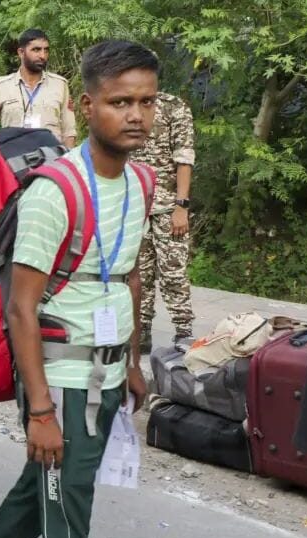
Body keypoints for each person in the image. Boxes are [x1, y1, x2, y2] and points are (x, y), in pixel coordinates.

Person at [0, 40, 157, 538]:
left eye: (146, 101)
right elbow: (20, 308)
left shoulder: (141, 180)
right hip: (62, 376)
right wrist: (39, 409)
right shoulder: (54, 191)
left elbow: (130, 273)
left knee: (51, 483)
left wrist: (134, 361)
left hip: (109, 368)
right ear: (88, 106)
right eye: (120, 102)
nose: (135, 115)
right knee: (68, 506)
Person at [129, 91, 195, 351]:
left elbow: (184, 158)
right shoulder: (125, 105)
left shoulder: (173, 106)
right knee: (138, 273)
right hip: (135, 204)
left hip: (168, 206)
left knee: (173, 272)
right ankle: (142, 331)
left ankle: (183, 331)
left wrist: (181, 206)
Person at [0, 29, 77, 147]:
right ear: (21, 52)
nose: (43, 56)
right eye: (36, 50)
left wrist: (67, 161)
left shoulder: (60, 85)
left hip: (51, 159)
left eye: (46, 50)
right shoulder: (1, 86)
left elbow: (69, 132)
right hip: (13, 159)